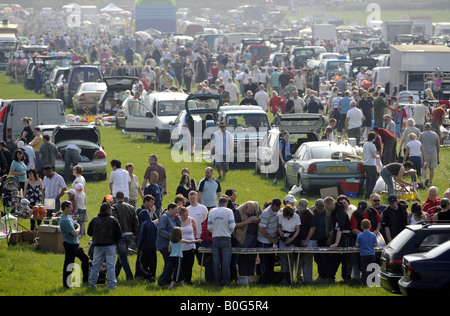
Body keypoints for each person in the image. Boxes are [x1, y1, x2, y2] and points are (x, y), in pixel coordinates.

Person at [87, 203, 122, 290]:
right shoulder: (113, 220)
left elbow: (89, 232)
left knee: (95, 266)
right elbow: (119, 233)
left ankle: (92, 284)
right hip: (110, 245)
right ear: (108, 210)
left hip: (98, 246)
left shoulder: (94, 220)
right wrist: (115, 242)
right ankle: (112, 286)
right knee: (110, 266)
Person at [60, 200, 90, 288]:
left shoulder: (69, 216)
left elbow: (74, 225)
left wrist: (76, 225)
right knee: (69, 264)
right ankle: (66, 284)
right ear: (65, 208)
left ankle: (85, 280)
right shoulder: (64, 220)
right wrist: (79, 227)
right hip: (70, 245)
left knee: (85, 259)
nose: (72, 208)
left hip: (75, 244)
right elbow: (75, 233)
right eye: (70, 207)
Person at [208, 196, 236, 286]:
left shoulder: (212, 211)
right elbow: (232, 226)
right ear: (226, 203)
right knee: (226, 263)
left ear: (218, 202)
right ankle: (226, 282)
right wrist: (228, 232)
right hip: (226, 238)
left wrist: (215, 231)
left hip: (215, 238)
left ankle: (216, 282)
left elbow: (209, 227)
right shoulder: (229, 211)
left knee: (216, 262)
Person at [112, 191, 139, 281]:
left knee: (123, 257)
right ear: (124, 198)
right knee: (121, 255)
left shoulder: (114, 208)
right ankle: (115, 274)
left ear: (116, 198)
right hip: (130, 234)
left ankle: (130, 276)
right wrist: (135, 233)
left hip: (121, 235)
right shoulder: (131, 207)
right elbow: (136, 221)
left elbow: (115, 222)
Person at [324, 196, 352, 282]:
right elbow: (335, 225)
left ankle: (346, 278)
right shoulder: (333, 211)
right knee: (334, 258)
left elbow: (340, 228)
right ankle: (331, 277)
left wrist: (336, 243)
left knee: (345, 259)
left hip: (344, 238)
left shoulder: (341, 212)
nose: (326, 208)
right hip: (337, 236)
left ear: (331, 204)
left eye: (327, 206)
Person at [234, 201, 261, 277]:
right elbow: (235, 225)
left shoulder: (256, 205)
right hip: (242, 238)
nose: (251, 213)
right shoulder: (238, 211)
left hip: (254, 236)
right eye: (249, 212)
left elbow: (261, 214)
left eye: (252, 211)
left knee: (252, 257)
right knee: (242, 257)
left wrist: (258, 219)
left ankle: (251, 275)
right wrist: (248, 221)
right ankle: (243, 275)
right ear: (245, 208)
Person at [157, 203, 181, 287]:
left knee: (168, 263)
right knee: (169, 263)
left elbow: (179, 226)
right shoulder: (164, 217)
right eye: (175, 210)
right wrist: (171, 237)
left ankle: (166, 280)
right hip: (164, 245)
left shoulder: (173, 218)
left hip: (170, 245)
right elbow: (161, 230)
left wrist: (177, 219)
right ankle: (162, 281)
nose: (176, 212)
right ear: (170, 209)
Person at [257, 198, 281, 278]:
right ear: (272, 206)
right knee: (265, 260)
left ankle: (271, 276)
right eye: (276, 208)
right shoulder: (266, 213)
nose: (277, 209)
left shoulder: (277, 212)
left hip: (272, 240)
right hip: (264, 240)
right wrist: (271, 239)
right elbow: (261, 229)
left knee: (271, 260)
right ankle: (265, 277)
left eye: (279, 208)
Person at [277, 205, 300, 284]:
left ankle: (290, 278)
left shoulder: (296, 217)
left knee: (290, 259)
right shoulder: (280, 216)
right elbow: (279, 227)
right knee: (283, 259)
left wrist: (292, 238)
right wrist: (280, 232)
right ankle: (283, 279)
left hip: (292, 237)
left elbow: (298, 229)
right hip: (283, 237)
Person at [311, 199, 332, 282]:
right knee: (317, 258)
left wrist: (330, 239)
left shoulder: (328, 213)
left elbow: (331, 226)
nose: (320, 210)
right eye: (318, 209)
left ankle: (324, 276)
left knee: (325, 258)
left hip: (325, 238)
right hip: (315, 238)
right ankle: (321, 275)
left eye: (322, 208)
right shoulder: (312, 212)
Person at [296, 199, 316, 283]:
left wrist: (307, 241)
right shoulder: (298, 213)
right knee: (300, 260)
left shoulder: (309, 215)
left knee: (307, 260)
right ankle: (299, 277)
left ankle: (308, 279)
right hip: (300, 239)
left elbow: (312, 229)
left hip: (308, 240)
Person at [136, 209, 158, 283]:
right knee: (152, 264)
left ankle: (149, 275)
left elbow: (141, 236)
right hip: (153, 247)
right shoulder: (154, 224)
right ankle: (152, 277)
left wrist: (138, 247)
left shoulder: (144, 224)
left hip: (145, 248)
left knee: (142, 264)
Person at [178, 207, 198, 285]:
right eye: (184, 215)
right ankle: (182, 279)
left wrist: (193, 239)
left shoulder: (191, 220)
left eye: (187, 214)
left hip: (190, 246)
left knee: (190, 263)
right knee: (182, 264)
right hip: (181, 246)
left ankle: (188, 280)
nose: (186, 216)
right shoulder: (178, 221)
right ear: (180, 215)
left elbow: (195, 229)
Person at [355, 219, 378, 285]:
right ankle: (373, 281)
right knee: (372, 268)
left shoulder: (359, 235)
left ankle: (364, 282)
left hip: (363, 254)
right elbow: (376, 244)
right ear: (370, 226)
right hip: (371, 254)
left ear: (361, 226)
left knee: (364, 269)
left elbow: (357, 245)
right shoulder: (373, 235)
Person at [363, 132, 379, 199]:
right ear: (373, 138)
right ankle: (369, 194)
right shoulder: (372, 145)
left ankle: (367, 193)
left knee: (368, 180)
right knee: (373, 180)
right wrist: (377, 156)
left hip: (366, 163)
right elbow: (373, 155)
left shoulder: (365, 144)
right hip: (371, 164)